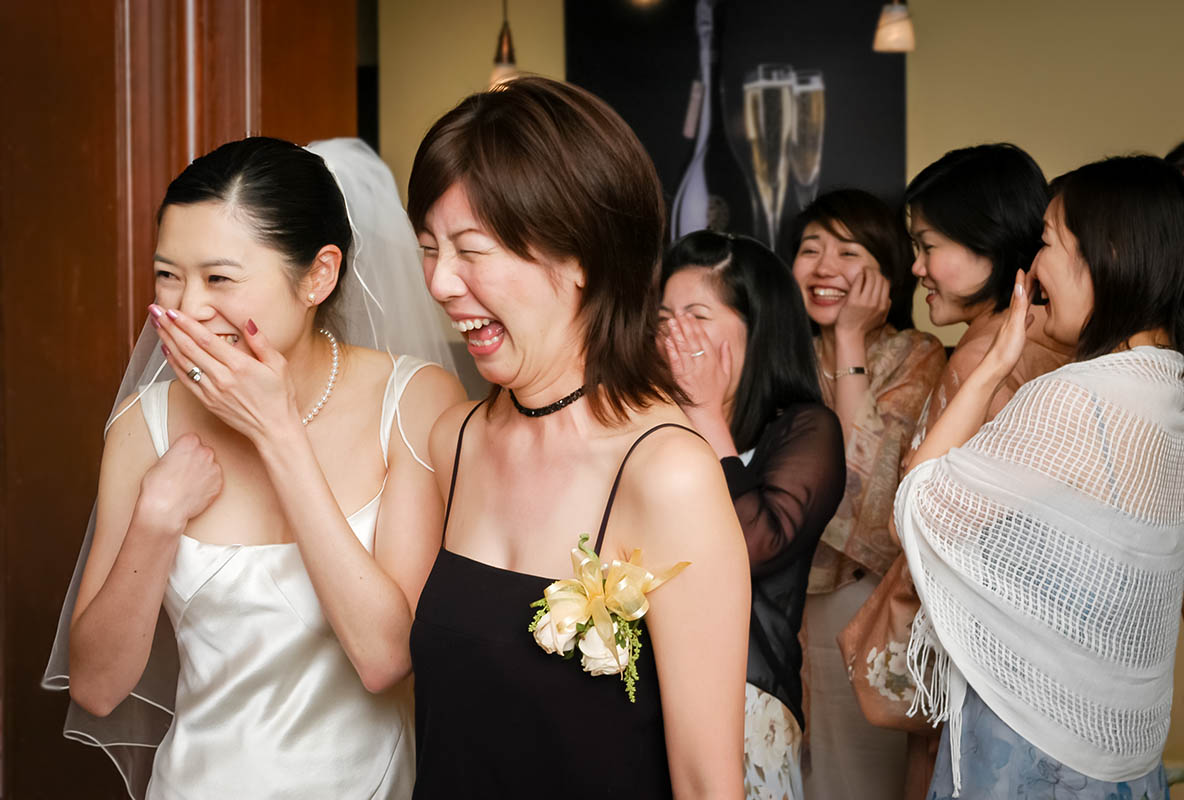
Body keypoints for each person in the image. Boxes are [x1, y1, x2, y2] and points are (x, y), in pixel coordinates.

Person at [44, 137, 465, 799]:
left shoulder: (414, 402)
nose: (184, 309)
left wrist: (278, 433)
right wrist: (154, 520)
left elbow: (386, 660)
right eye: (167, 276)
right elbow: (97, 689)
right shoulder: (143, 425)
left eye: (219, 278)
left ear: (318, 276)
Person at [406, 77, 750, 799]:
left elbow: (705, 782)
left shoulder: (666, 473)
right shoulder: (454, 442)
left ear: (581, 256)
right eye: (429, 248)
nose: (440, 282)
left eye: (473, 249)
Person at [897, 155, 1184, 799]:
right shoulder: (1169, 388)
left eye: (1049, 242)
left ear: (1107, 253)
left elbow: (921, 500)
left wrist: (997, 362)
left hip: (1033, 742)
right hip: (1121, 750)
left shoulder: (1079, 398)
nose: (1033, 267)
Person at [891, 143, 1073, 797]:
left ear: (989, 244)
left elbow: (942, 512)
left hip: (983, 643)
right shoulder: (1058, 344)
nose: (916, 267)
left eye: (928, 244)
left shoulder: (985, 356)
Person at [657, 231, 845, 800]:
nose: (673, 332)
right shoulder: (653, 425)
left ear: (756, 329)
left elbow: (754, 543)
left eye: (696, 314)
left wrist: (707, 415)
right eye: (663, 315)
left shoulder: (806, 429)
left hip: (747, 696)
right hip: (650, 688)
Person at [787, 189, 946, 799]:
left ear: (888, 272)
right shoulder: (779, 358)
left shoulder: (916, 355)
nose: (825, 267)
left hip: (860, 604)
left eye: (848, 252)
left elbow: (866, 491)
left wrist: (850, 341)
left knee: (856, 781)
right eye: (810, 249)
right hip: (776, 607)